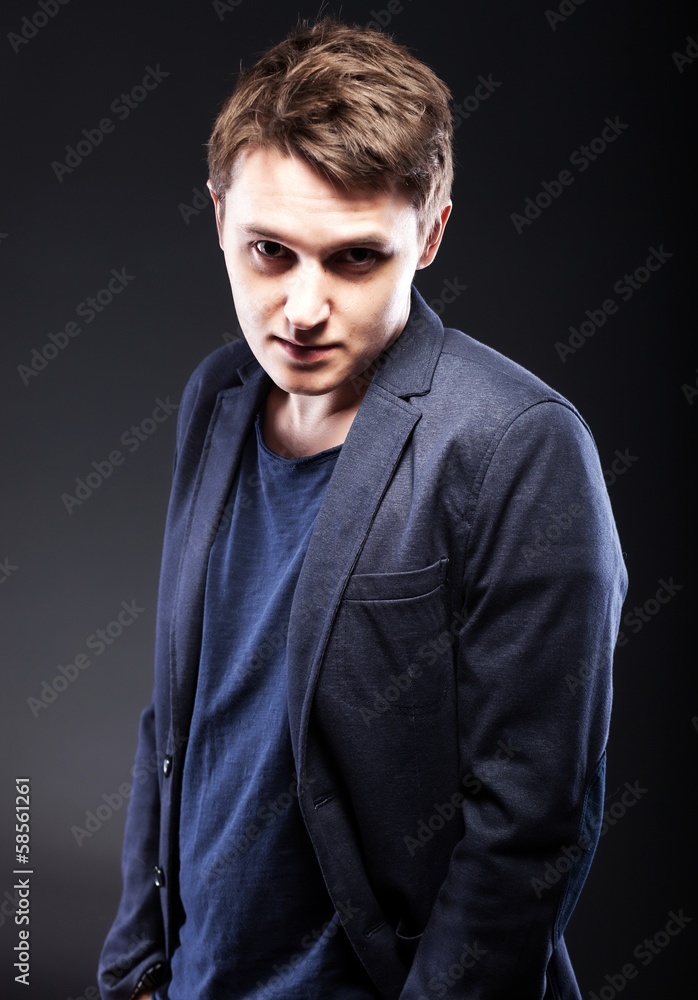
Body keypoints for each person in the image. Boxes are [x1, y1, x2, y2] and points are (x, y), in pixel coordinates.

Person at [98, 16, 627, 1000]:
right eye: (269, 251)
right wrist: (135, 973)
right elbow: (173, 716)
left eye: (352, 259)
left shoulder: (518, 444)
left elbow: (530, 822)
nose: (300, 309)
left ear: (429, 236)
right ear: (217, 216)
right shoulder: (216, 398)